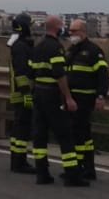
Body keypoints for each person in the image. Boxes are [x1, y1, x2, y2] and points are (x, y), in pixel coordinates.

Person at [30, 15, 85, 187]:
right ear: (56, 27)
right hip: (52, 95)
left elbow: (31, 73)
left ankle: (42, 173)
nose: (64, 29)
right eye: (62, 25)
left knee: (40, 135)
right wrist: (68, 97)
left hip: (38, 93)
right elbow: (59, 75)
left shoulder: (38, 46)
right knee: (65, 134)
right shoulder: (56, 47)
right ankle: (72, 176)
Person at [65, 18, 109, 182]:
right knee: (79, 134)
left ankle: (82, 168)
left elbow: (103, 76)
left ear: (83, 32)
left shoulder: (93, 51)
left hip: (85, 99)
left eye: (74, 31)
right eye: (70, 30)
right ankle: (82, 168)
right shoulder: (71, 50)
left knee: (80, 134)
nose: (71, 33)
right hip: (71, 98)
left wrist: (100, 96)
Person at [6, 12, 36, 173]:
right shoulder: (21, 47)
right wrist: (27, 95)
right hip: (23, 94)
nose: (32, 28)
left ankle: (18, 161)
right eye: (30, 25)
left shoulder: (20, 45)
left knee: (20, 127)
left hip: (20, 93)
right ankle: (19, 163)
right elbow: (21, 73)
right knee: (22, 128)